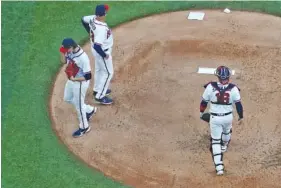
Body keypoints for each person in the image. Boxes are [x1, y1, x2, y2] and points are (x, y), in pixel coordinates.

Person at [200, 66, 244, 175]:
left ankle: (219, 168)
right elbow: (238, 105)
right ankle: (224, 145)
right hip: (228, 117)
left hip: (214, 118)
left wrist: (201, 113)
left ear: (218, 76)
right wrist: (241, 116)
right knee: (227, 131)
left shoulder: (210, 87)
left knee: (215, 141)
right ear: (228, 76)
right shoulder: (233, 88)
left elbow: (204, 103)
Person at [59, 38, 97, 138]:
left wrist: (74, 79)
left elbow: (88, 76)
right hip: (72, 80)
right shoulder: (70, 52)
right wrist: (62, 52)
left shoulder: (83, 58)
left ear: (72, 47)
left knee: (79, 107)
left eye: (67, 49)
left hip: (80, 83)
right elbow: (63, 61)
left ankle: (84, 127)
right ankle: (89, 110)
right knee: (67, 98)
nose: (66, 51)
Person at [81, 4, 114, 105]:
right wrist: (105, 55)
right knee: (108, 73)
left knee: (99, 70)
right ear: (102, 15)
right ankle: (100, 96)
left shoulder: (92, 18)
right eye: (105, 13)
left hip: (96, 50)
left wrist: (90, 33)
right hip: (102, 51)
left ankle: (97, 90)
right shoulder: (101, 29)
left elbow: (83, 19)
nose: (106, 14)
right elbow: (97, 46)